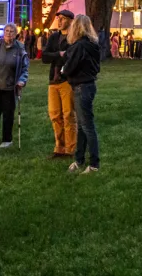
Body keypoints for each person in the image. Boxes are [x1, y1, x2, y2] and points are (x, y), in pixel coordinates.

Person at [62, 14, 102, 174]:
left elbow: (70, 66)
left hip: (81, 86)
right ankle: (79, 159)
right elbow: (96, 67)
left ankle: (94, 164)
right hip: (89, 85)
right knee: (82, 125)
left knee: (87, 126)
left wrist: (64, 70)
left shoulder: (79, 46)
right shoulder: (93, 45)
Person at [0, 23, 28, 148]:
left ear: (15, 34)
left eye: (12, 31)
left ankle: (7, 140)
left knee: (8, 115)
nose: (9, 33)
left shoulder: (19, 48)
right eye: (7, 31)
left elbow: (25, 68)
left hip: (10, 87)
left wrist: (22, 80)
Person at [41, 10, 76, 159]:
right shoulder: (54, 37)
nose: (59, 21)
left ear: (69, 20)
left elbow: (72, 57)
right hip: (53, 81)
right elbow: (44, 57)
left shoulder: (73, 38)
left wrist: (62, 56)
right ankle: (59, 147)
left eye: (62, 18)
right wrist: (58, 54)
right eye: (58, 18)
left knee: (68, 115)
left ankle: (70, 148)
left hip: (67, 80)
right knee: (55, 114)